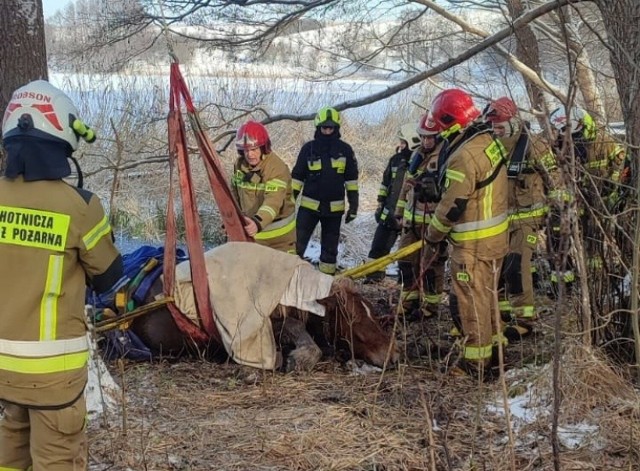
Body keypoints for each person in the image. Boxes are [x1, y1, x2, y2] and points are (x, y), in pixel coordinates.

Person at [0, 80, 123, 470]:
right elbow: (109, 276)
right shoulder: (79, 207)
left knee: (10, 455)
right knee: (56, 460)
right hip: (53, 376)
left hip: (3, 368)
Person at [423, 89, 509, 378]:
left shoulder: (463, 156)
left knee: (471, 301)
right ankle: (497, 350)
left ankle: (475, 361)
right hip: (495, 239)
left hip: (473, 245)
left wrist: (432, 236)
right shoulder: (488, 141)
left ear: (450, 122)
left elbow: (452, 205)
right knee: (488, 297)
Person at [484, 97, 561, 337]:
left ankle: (525, 320)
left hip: (528, 218)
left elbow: (554, 177)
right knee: (501, 267)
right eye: (493, 127)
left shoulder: (533, 145)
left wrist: (559, 208)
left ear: (513, 122)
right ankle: (504, 310)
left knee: (517, 265)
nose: (496, 131)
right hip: (498, 220)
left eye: (500, 126)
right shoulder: (489, 146)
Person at [547, 106, 626, 298]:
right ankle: (563, 284)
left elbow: (621, 161)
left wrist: (611, 185)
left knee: (593, 242)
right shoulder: (560, 144)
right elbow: (556, 173)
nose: (563, 134)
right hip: (571, 202)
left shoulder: (602, 140)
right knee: (557, 237)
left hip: (597, 201)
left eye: (566, 129)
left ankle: (595, 282)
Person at [292, 106, 359, 275]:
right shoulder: (308, 149)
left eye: (331, 128)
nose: (327, 131)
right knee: (296, 245)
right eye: (324, 127)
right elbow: (297, 177)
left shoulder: (345, 150)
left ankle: (325, 284)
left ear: (336, 128)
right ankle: (290, 279)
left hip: (333, 211)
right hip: (308, 209)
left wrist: (354, 206)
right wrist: (289, 202)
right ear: (318, 127)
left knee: (329, 252)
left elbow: (351, 181)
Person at [394, 113, 447, 319]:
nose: (426, 141)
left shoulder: (445, 157)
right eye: (423, 136)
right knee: (406, 262)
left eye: (430, 137)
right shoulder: (416, 154)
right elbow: (405, 188)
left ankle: (430, 307)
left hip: (432, 223)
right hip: (411, 222)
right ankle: (408, 302)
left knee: (431, 266)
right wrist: (398, 213)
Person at [364, 123, 421, 283]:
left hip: (409, 216)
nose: (401, 145)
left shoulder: (421, 161)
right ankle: (373, 278)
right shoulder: (395, 160)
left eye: (404, 142)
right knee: (378, 247)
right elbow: (385, 183)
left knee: (407, 254)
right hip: (389, 213)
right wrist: (380, 203)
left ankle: (406, 283)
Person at [231, 120, 297, 253]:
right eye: (246, 150)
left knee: (282, 272)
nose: (250, 155)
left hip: (279, 239)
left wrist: (257, 222)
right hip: (252, 234)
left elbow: (273, 201)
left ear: (263, 147)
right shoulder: (239, 166)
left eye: (254, 149)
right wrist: (231, 218)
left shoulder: (276, 167)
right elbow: (234, 195)